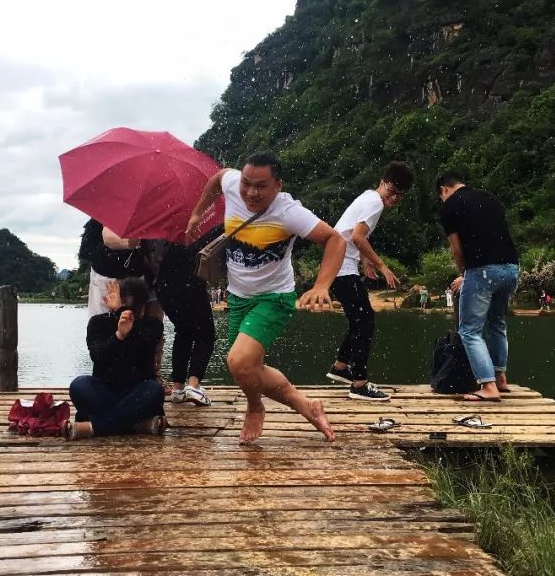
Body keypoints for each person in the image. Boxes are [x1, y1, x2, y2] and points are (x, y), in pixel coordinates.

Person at [186, 152, 346, 443]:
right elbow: (218, 177)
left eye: (261, 186)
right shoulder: (232, 184)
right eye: (247, 184)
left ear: (278, 185)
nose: (251, 193)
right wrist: (198, 212)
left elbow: (335, 239)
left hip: (274, 298)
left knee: (239, 362)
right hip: (237, 297)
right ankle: (307, 406)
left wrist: (322, 286)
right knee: (247, 369)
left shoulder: (288, 212)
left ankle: (255, 407)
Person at [324, 161, 414, 401]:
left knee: (360, 321)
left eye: (400, 195)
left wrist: (365, 261)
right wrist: (382, 266)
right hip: (341, 268)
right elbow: (357, 236)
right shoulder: (375, 203)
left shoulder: (368, 197)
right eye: (392, 191)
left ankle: (341, 367)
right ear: (382, 182)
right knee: (365, 322)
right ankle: (359, 384)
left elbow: (353, 232)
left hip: (339, 267)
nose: (394, 198)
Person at [436, 171, 520, 403]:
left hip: (483, 270)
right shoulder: (489, 197)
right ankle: (500, 377)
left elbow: (457, 250)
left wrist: (465, 275)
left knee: (469, 331)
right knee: (497, 323)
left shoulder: (449, 206)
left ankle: (488, 385)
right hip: (511, 268)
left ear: (443, 189)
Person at [66, 277, 166, 439]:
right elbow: (98, 356)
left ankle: (94, 427)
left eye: (132, 310)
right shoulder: (98, 323)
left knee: (154, 390)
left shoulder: (151, 325)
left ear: (142, 308)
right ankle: (136, 425)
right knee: (79, 385)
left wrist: (122, 312)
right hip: (106, 392)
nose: (128, 313)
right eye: (123, 307)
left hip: (137, 392)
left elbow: (144, 344)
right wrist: (119, 335)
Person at [145, 237, 217, 406]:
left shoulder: (158, 232)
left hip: (163, 287)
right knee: (205, 335)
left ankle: (178, 389)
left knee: (183, 332)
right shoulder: (189, 230)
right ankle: (193, 385)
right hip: (189, 283)